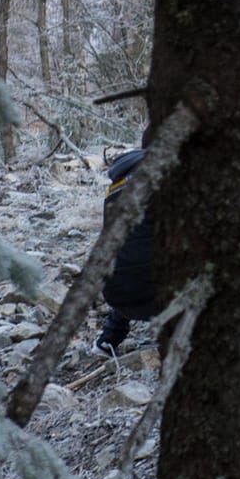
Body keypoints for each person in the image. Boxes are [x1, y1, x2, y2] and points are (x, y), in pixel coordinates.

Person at [94, 147, 158, 355]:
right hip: (157, 299)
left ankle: (108, 338)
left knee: (128, 249)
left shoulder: (115, 188)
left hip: (116, 296)